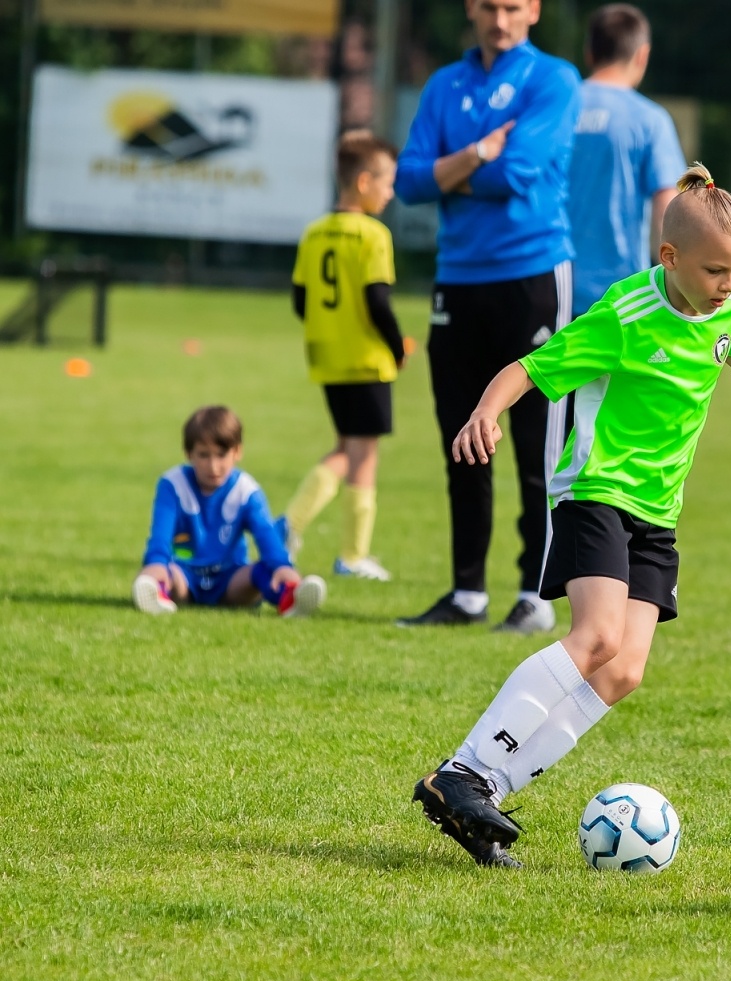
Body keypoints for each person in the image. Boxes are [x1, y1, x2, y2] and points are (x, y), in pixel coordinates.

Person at [410, 165, 731, 867]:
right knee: (594, 638)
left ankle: (484, 794)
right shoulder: (625, 314)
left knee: (623, 671)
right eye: (716, 269)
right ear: (670, 258)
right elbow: (530, 368)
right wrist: (485, 413)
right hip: (597, 490)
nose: (729, 284)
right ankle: (463, 771)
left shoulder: (728, 304)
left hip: (659, 510)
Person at [394, 0, 582, 634]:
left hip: (532, 274)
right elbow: (409, 182)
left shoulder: (553, 78)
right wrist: (476, 154)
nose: (499, 18)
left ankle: (535, 593)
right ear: (470, 9)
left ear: (532, 10)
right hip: (459, 278)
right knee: (462, 440)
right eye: (488, 5)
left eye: (512, 5)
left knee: (536, 442)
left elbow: (521, 171)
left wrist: (451, 171)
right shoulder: (444, 84)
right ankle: (467, 592)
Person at [282, 130, 407, 582]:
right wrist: (397, 347)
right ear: (363, 183)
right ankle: (352, 555)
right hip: (366, 359)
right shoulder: (372, 235)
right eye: (387, 182)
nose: (390, 192)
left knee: (346, 447)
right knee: (364, 455)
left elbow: (300, 301)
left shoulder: (314, 232)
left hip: (327, 357)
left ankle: (288, 528)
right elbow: (378, 301)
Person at [133, 406, 326, 618]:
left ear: (237, 452)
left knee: (263, 571)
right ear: (189, 454)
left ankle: (290, 598)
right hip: (184, 577)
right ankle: (156, 593)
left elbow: (265, 534)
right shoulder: (172, 484)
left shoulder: (245, 490)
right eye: (203, 455)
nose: (213, 466)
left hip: (230, 581)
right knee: (162, 571)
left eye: (221, 455)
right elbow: (160, 535)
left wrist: (282, 566)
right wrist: (156, 564)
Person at [569, 3, 686, 313]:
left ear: (589, 52)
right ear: (642, 55)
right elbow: (668, 210)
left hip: (550, 283)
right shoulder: (649, 120)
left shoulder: (557, 108)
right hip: (621, 294)